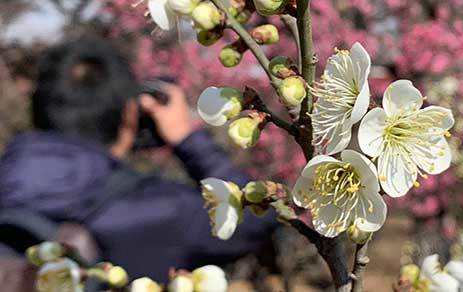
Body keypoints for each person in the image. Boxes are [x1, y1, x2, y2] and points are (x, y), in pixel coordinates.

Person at [0, 37, 277, 281]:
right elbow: (255, 217)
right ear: (130, 115)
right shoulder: (161, 210)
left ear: (37, 108)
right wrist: (187, 139)